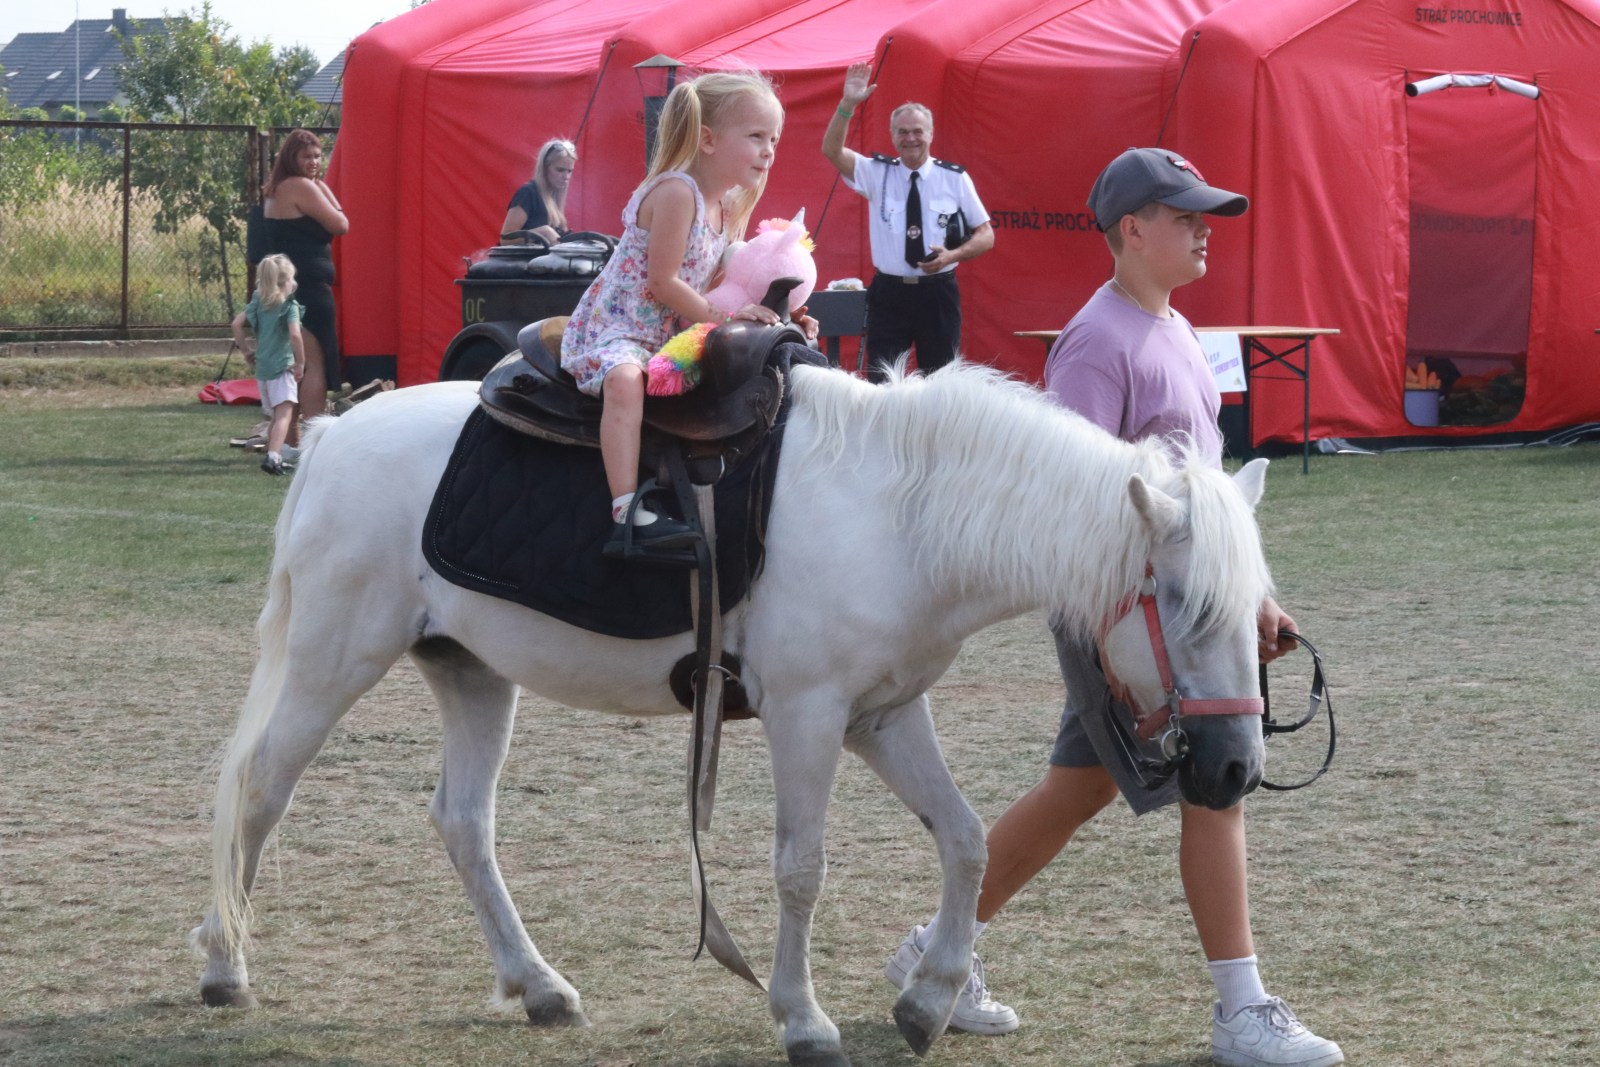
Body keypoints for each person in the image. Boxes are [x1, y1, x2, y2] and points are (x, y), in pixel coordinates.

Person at [886, 148, 1344, 1067]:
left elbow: (1203, 509)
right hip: (1125, 622)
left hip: (1177, 618)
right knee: (1214, 787)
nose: (1204, 228)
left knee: (1078, 788)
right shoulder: (1099, 342)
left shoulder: (1173, 328)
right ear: (1132, 230)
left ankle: (937, 949)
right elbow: (1078, 502)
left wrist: (1251, 594)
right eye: (1186, 215)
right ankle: (1241, 1012)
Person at [560, 71, 808, 563]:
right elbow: (663, 282)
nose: (769, 150)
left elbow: (721, 280)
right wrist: (724, 314)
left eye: (774, 139)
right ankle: (625, 509)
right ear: (710, 139)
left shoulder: (727, 206)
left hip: (673, 333)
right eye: (756, 136)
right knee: (626, 382)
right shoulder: (677, 192)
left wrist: (779, 311)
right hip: (623, 327)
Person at [820, 62, 994, 382]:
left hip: (938, 293)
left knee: (940, 383)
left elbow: (986, 234)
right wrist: (847, 104)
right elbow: (831, 150)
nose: (910, 138)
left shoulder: (953, 178)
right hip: (890, 294)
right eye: (903, 132)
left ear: (931, 134)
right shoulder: (877, 172)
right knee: (882, 382)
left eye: (917, 131)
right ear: (893, 136)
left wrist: (952, 256)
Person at [259, 128, 347, 423]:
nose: (313, 161)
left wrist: (317, 183)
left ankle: (289, 438)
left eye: (318, 156)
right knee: (313, 364)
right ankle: (312, 435)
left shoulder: (278, 186)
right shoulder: (301, 186)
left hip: (286, 287)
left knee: (294, 364)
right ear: (291, 158)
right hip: (307, 288)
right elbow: (340, 223)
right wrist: (320, 186)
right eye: (306, 156)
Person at [232, 254, 306, 476]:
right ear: (285, 282)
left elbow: (236, 324)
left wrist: (246, 351)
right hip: (282, 367)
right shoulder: (288, 306)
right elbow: (295, 334)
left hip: (262, 368)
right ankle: (273, 456)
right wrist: (300, 362)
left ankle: (276, 451)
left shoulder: (259, 301)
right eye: (292, 278)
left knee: (276, 415)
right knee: (285, 414)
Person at [501, 138, 577, 245]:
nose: (566, 177)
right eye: (560, 170)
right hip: (523, 261)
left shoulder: (555, 197)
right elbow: (505, 239)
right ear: (545, 168)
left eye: (569, 171)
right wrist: (543, 232)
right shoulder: (528, 193)